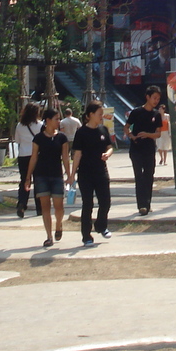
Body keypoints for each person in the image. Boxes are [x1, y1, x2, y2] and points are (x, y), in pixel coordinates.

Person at [69, 101, 114, 246]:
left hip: (101, 171)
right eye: (99, 114)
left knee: (105, 202)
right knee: (88, 204)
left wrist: (107, 154)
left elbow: (110, 147)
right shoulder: (81, 132)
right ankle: (86, 235)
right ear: (90, 115)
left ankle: (101, 226)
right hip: (85, 173)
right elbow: (77, 154)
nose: (101, 116)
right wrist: (72, 174)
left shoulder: (103, 130)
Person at [25, 107, 69, 247]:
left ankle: (59, 225)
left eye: (59, 119)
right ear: (48, 121)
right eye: (56, 119)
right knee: (45, 207)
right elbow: (33, 157)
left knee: (59, 207)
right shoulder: (38, 138)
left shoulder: (62, 137)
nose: (59, 121)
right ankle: (49, 236)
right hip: (41, 175)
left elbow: (65, 158)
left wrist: (70, 174)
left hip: (57, 175)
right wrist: (28, 177)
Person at [126, 85, 164, 215]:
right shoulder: (136, 112)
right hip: (136, 149)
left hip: (149, 149)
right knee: (139, 177)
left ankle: (147, 203)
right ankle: (141, 205)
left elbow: (158, 134)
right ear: (147, 97)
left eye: (158, 99)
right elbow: (126, 128)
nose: (156, 101)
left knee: (149, 176)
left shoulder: (157, 115)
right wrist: (132, 136)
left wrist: (147, 134)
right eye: (154, 98)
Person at [14, 101, 43, 219]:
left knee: (24, 180)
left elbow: (17, 141)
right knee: (38, 181)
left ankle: (22, 203)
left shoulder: (19, 126)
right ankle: (39, 207)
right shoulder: (40, 125)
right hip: (37, 155)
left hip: (23, 155)